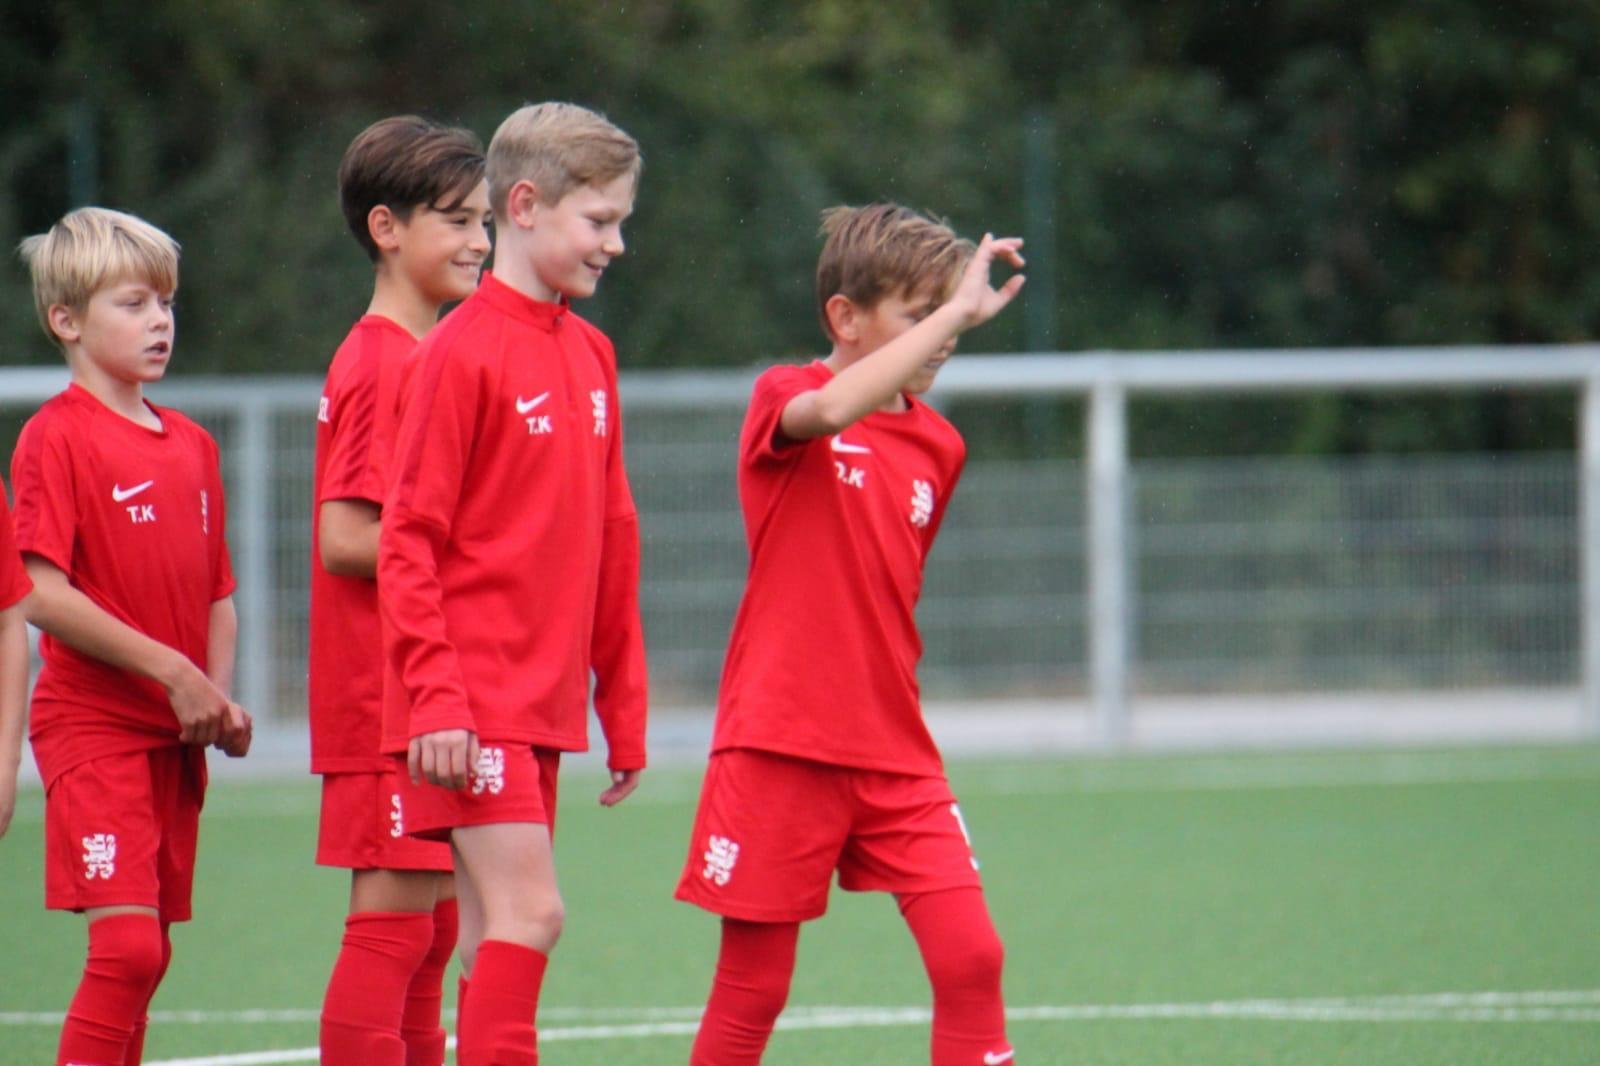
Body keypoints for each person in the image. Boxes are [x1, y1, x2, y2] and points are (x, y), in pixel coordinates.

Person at [675, 203, 1026, 1065]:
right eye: (920, 316)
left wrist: (940, 314)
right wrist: (958, 309)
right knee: (755, 986)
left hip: (894, 749)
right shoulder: (786, 396)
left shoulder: (940, 446)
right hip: (781, 743)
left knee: (972, 957)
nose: (944, 337)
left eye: (949, 317)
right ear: (845, 316)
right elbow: (831, 410)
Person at [379, 101, 649, 1066]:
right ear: (525, 206)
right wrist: (437, 698)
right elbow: (408, 540)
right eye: (600, 221)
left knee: (495, 930)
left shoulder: (592, 353)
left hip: (540, 704)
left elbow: (613, 537)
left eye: (621, 222)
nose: (616, 244)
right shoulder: (458, 350)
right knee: (533, 916)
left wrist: (623, 705)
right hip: (474, 699)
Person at [13, 206, 251, 1066]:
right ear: (67, 321)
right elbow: (40, 592)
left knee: (149, 959)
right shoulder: (54, 437)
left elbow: (219, 593)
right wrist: (173, 672)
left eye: (167, 303)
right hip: (93, 726)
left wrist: (215, 696)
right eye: (134, 303)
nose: (160, 322)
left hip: (171, 736)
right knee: (127, 949)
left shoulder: (193, 445)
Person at [311, 115, 492, 1065]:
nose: (480, 242)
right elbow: (345, 537)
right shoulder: (388, 360)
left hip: (423, 693)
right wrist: (491, 554)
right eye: (456, 220)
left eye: (485, 222)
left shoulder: (430, 353)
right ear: (386, 228)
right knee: (391, 932)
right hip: (384, 697)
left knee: (432, 932)